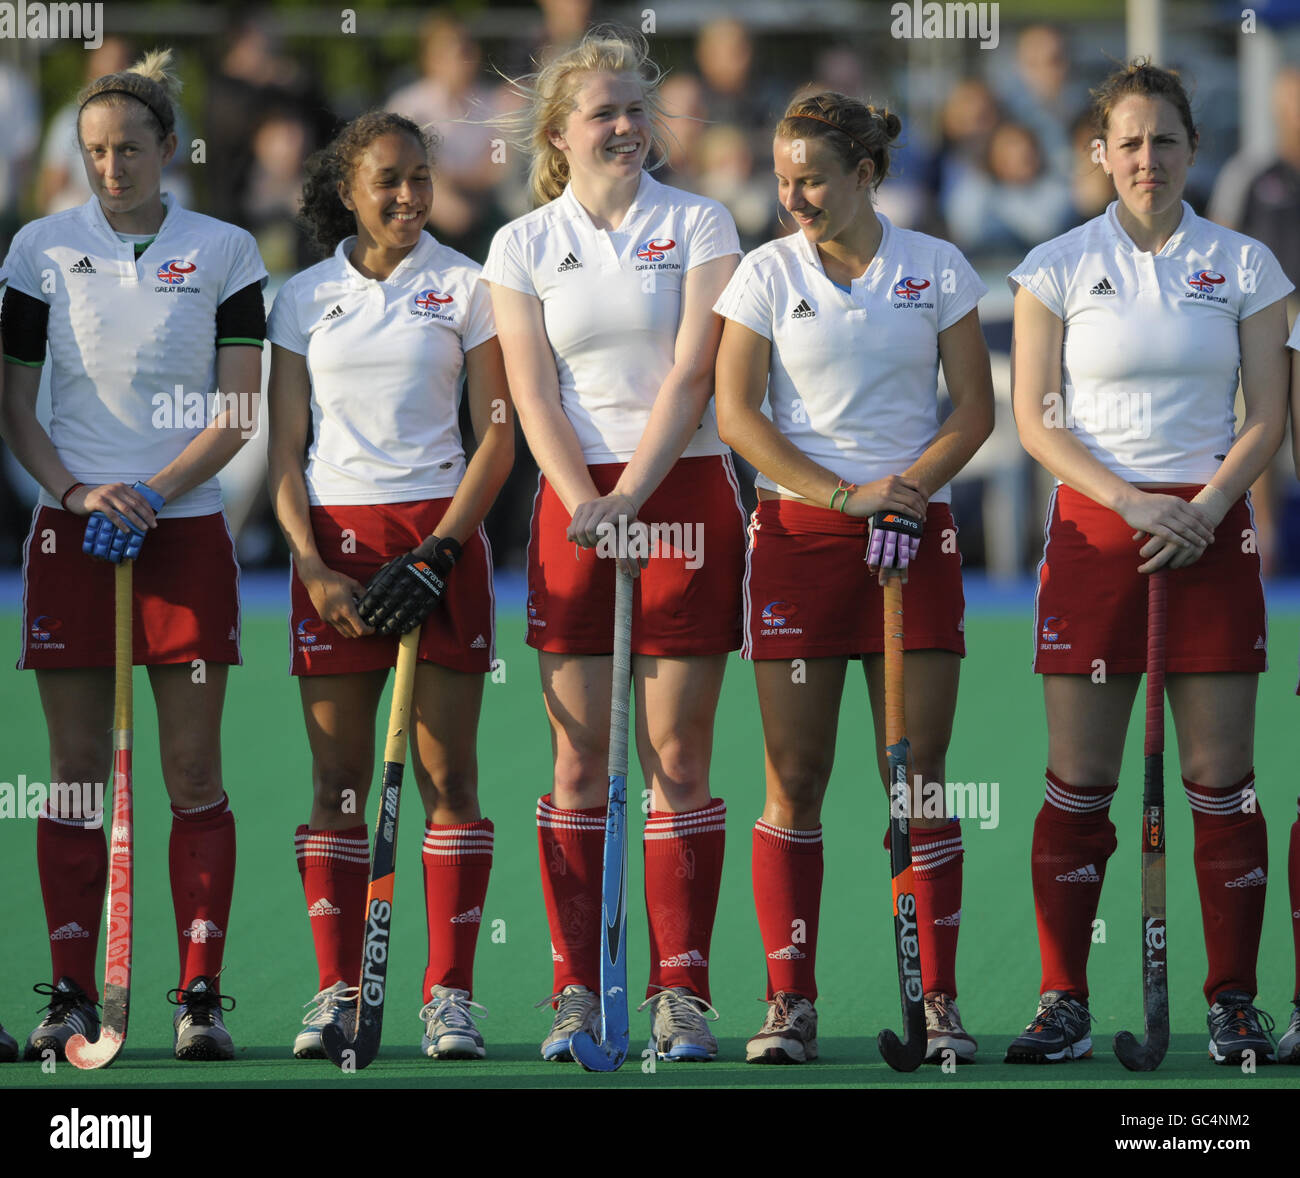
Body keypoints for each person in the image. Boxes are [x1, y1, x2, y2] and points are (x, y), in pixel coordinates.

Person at [1007, 60, 1291, 1064]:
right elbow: (1035, 418)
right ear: (1098, 153)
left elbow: (1267, 416)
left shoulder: (1246, 263)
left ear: (1191, 151)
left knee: (1222, 780)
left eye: (1163, 140)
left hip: (1210, 533)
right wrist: (1129, 500)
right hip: (1095, 534)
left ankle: (1230, 1001)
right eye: (1126, 141)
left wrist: (1206, 506)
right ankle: (1063, 999)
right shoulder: (1053, 264)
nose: (1145, 159)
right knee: (1078, 781)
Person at [714, 90, 994, 1065]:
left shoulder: (935, 267)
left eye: (813, 178)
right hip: (802, 533)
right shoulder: (762, 272)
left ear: (865, 175)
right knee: (794, 777)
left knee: (919, 779)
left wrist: (905, 489)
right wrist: (843, 497)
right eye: (782, 177)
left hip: (912, 531)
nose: (792, 195)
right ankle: (789, 1000)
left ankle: (941, 1000)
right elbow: (739, 416)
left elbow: (973, 410)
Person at [483, 28, 744, 1062]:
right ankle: (576, 991)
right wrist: (585, 497)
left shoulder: (701, 220)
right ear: (559, 132)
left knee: (677, 755)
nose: (628, 125)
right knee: (577, 759)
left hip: (677, 488)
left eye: (638, 108)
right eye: (605, 112)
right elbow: (531, 388)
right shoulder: (523, 244)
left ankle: (681, 991)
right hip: (574, 501)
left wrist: (632, 490)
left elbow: (692, 374)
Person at [0, 49, 267, 1061]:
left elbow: (240, 405)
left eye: (131, 149)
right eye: (95, 151)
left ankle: (199, 996)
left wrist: (154, 491)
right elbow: (14, 406)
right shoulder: (37, 247)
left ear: (167, 149)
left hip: (182, 529)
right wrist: (76, 492)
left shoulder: (226, 249)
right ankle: (72, 992)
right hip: (72, 530)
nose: (112, 168)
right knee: (74, 775)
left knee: (192, 768)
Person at [267, 111, 512, 1060]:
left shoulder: (466, 284)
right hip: (334, 540)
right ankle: (334, 991)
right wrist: (313, 565)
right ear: (347, 189)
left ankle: (448, 995)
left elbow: (497, 431)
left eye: (421, 177)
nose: (409, 196)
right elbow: (285, 451)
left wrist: (443, 552)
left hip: (437, 536)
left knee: (451, 778)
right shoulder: (303, 296)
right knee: (337, 779)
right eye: (388, 180)